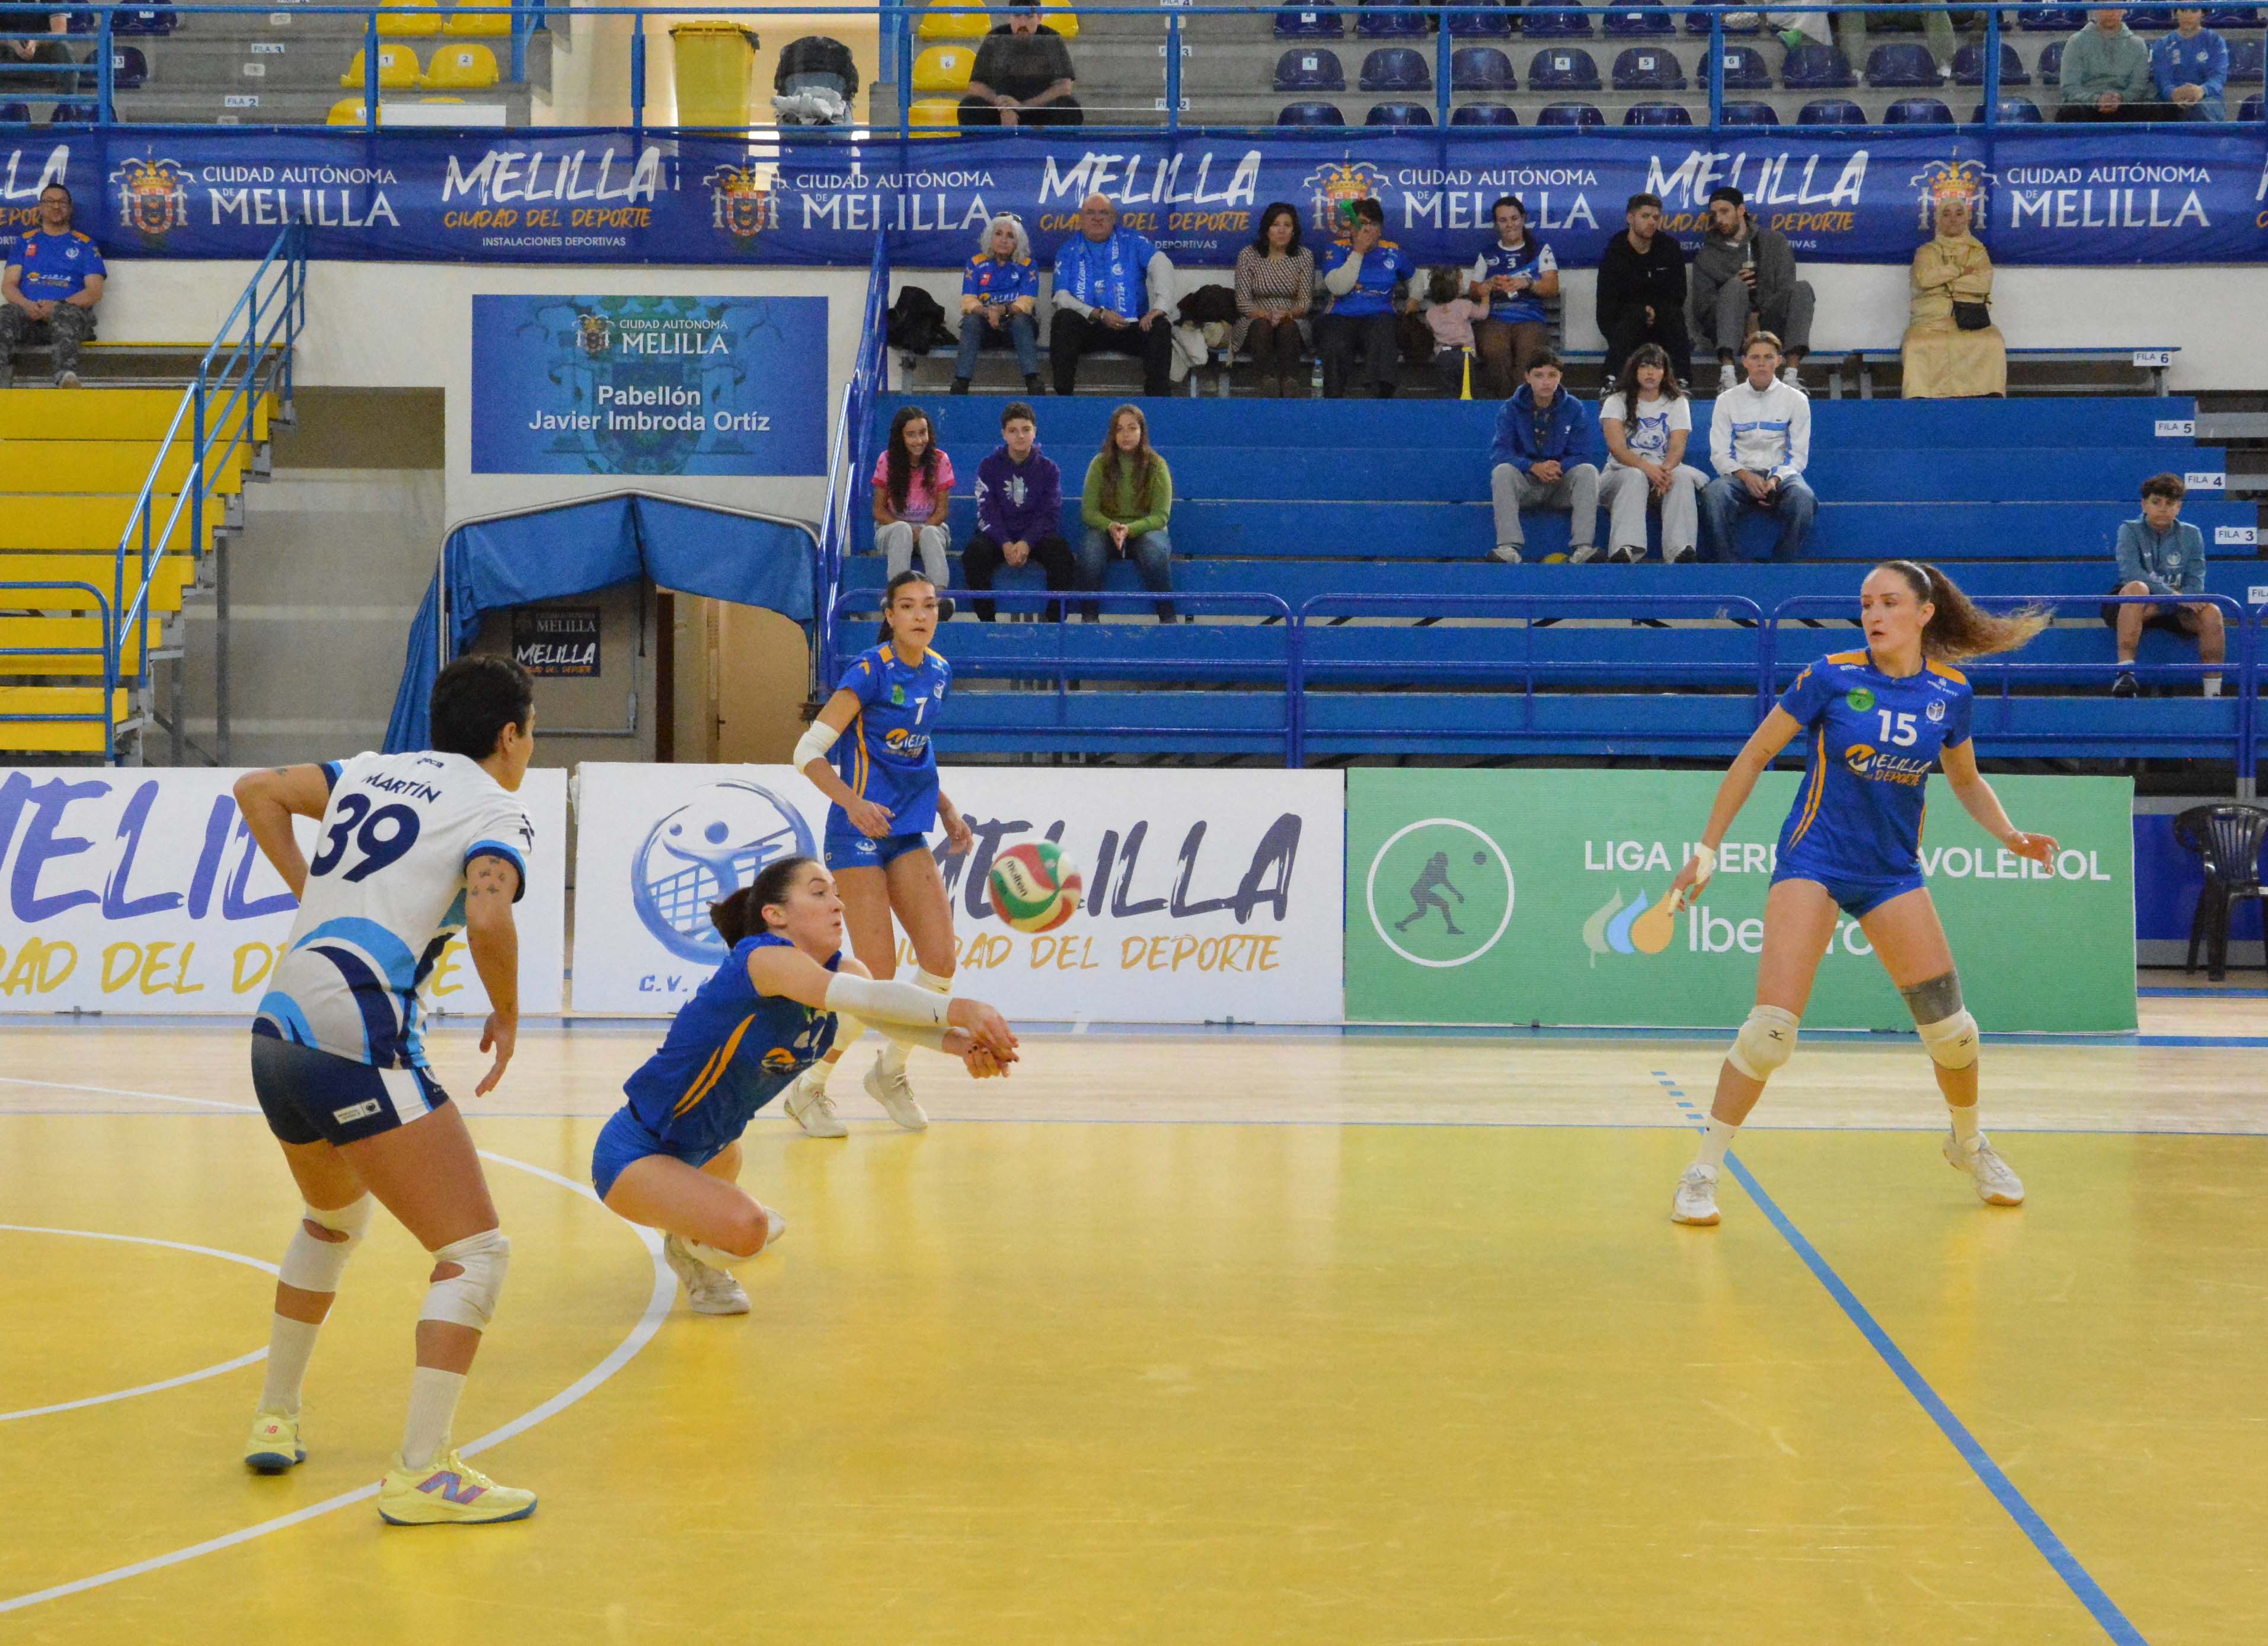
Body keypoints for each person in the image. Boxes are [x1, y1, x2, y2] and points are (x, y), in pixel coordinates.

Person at [231, 654, 542, 1525]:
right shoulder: (494, 806)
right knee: (476, 1253)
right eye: (531, 731)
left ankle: (276, 1415)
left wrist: (309, 892)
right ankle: (422, 1474)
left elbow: (256, 790)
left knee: (331, 1221)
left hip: (277, 1032)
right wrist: (508, 1012)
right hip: (358, 1038)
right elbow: (488, 912)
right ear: (509, 734)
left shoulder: (368, 771)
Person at [1665, 561, 2056, 1227]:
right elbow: (1754, 756)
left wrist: (2011, 835)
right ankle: (1702, 1170)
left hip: (1891, 873)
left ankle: (1968, 1144)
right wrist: (1706, 851)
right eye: (1867, 603)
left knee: (1953, 1034)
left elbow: (1964, 780)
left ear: (1924, 613)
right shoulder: (1831, 676)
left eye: (1889, 602)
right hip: (1813, 862)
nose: (1873, 614)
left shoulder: (1950, 692)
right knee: (1768, 1034)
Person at [594, 856, 1017, 1314]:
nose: (838, 904)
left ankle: (696, 1233)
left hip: (714, 1150)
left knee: (740, 1208)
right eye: (819, 893)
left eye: (836, 893)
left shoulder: (841, 972)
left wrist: (962, 1045)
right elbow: (868, 996)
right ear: (775, 915)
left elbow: (887, 1016)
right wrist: (963, 1009)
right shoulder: (763, 959)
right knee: (750, 1229)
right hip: (636, 1154)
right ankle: (693, 1248)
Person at [784, 570, 977, 1135]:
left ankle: (890, 1072)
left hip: (907, 828)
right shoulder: (869, 670)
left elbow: (915, 752)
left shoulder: (938, 672)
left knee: (940, 960)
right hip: (857, 831)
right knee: (876, 975)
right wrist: (853, 803)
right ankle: (809, 1086)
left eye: (930, 606)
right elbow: (807, 752)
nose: (921, 615)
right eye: (908, 606)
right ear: (890, 616)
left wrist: (946, 808)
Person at [2107, 472, 2225, 698]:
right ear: (2144, 505)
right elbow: (2131, 573)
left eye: (2170, 503)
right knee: (2137, 589)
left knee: (2213, 613)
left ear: (2178, 507)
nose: (2163, 508)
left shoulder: (2192, 534)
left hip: (2175, 605)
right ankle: (2125, 675)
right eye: (2156, 502)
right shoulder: (2129, 529)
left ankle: (2213, 694)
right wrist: (2172, 597)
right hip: (2134, 603)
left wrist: (2166, 604)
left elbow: (2195, 581)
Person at [1701, 332, 1815, 562]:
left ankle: (1781, 566)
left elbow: (1798, 455)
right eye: (1755, 357)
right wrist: (1745, 476)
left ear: (1779, 360)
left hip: (1782, 478)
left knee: (1804, 498)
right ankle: (1730, 566)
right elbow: (1720, 453)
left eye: (1768, 357)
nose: (1761, 363)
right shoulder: (1727, 400)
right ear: (1744, 361)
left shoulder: (1797, 400)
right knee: (1714, 495)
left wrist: (1774, 479)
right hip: (1739, 477)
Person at [1689, 186, 1815, 393]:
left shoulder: (1774, 242)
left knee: (1802, 289)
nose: (1719, 219)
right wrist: (1734, 292)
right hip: (1728, 329)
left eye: (1725, 211)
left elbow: (1786, 289)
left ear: (1741, 210)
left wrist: (1756, 316)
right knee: (1735, 286)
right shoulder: (1707, 256)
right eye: (1714, 214)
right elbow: (1702, 308)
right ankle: (1728, 376)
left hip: (1770, 325)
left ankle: (1791, 375)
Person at [1050, 193, 1174, 397]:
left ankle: (1157, 402)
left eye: (1104, 213)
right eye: (1091, 213)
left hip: (1131, 326)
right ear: (1081, 218)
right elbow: (1060, 297)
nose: (1097, 218)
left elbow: (1161, 263)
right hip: (1091, 326)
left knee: (1160, 327)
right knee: (1063, 319)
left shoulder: (1132, 240)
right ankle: (1064, 398)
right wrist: (1098, 314)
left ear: (1114, 218)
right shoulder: (1068, 250)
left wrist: (1159, 307)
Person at [962, 398, 1075, 622]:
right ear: (1004, 434)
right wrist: (1005, 542)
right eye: (1013, 431)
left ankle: (1054, 625)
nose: (1020, 436)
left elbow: (1049, 514)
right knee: (974, 554)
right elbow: (987, 510)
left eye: (1026, 430)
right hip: (998, 538)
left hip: (1035, 539)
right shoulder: (989, 466)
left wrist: (1026, 542)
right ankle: (988, 624)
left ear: (1035, 432)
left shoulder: (1049, 469)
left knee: (1062, 554)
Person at [1487, 350, 1603, 565]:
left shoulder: (1574, 408)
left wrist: (1558, 467)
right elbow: (1500, 453)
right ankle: (1508, 547)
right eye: (1539, 375)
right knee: (1502, 472)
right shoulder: (1511, 408)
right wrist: (1532, 466)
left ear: (1561, 377)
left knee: (1588, 472)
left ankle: (1583, 547)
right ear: (1527, 377)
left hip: (1560, 483)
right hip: (1526, 485)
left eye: (1552, 375)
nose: (1546, 382)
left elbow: (1583, 453)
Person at [1598, 343, 1708, 566]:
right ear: (1634, 370)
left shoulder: (1678, 402)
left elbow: (1677, 446)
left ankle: (1680, 551)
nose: (1650, 372)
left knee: (1681, 477)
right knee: (1635, 476)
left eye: (1657, 367)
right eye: (1644, 366)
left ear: (1665, 372)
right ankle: (1626, 548)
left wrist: (1664, 471)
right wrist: (1648, 469)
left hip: (1661, 472)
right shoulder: (1616, 401)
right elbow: (1617, 449)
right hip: (1621, 474)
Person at [1901, 177, 2005, 400]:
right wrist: (1960, 270)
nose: (1953, 220)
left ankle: (1987, 397)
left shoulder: (1978, 251)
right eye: (1946, 214)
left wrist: (1944, 281)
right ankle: (1921, 399)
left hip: (1970, 321)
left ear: (1967, 218)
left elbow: (1982, 283)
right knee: (1915, 344)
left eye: (1959, 214)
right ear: (1938, 220)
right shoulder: (1926, 252)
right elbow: (1924, 279)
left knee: (1993, 342)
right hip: (1930, 323)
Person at [1075, 401, 1175, 621]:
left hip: (1146, 530)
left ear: (1142, 432)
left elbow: (1161, 516)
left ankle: (1168, 619)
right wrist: (1111, 526)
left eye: (1132, 428)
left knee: (1154, 555)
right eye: (1119, 429)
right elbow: (1089, 512)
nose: (1125, 435)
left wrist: (1130, 529)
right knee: (1090, 554)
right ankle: (1089, 619)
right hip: (1107, 530)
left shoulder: (1157, 465)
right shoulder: (1099, 464)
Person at [0, 182, 101, 389]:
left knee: (66, 313)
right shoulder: (25, 242)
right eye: (50, 202)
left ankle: (66, 378)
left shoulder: (85, 244)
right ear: (40, 207)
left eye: (62, 202)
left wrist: (58, 305)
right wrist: (27, 305)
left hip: (69, 319)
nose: (56, 206)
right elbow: (9, 286)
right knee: (5, 314)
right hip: (30, 318)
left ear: (70, 208)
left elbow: (94, 292)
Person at [1316, 197, 1416, 399]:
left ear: (1381, 229)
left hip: (1379, 315)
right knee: (1335, 342)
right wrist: (1358, 251)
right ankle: (1333, 402)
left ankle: (1379, 399)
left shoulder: (1393, 251)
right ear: (1351, 227)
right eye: (1362, 224)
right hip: (1340, 315)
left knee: (1383, 334)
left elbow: (1414, 279)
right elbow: (1339, 288)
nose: (1368, 229)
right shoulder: (1336, 249)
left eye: (1373, 224)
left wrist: (1414, 298)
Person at [1594, 193, 1691, 392]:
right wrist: (1641, 311)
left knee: (1674, 315)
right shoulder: (1615, 252)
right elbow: (1607, 302)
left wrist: (1656, 311)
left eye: (1656, 217)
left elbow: (1679, 293)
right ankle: (1611, 380)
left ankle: (1682, 381)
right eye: (1645, 216)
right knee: (1633, 316)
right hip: (1625, 323)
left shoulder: (1669, 248)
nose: (1652, 222)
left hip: (1663, 321)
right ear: (1630, 218)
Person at [1466, 194, 1558, 398]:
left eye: (1514, 218)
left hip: (1530, 318)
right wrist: (1489, 285)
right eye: (1503, 220)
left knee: (1529, 354)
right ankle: (1503, 405)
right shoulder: (1488, 253)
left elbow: (1552, 288)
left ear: (1523, 219)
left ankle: (1522, 404)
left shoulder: (1540, 250)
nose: (1510, 225)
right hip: (1495, 318)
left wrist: (1528, 283)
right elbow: (1473, 291)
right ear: (1496, 224)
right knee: (1495, 351)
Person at [873, 405, 955, 618]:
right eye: (911, 435)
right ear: (900, 437)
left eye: (922, 433)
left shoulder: (941, 460)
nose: (919, 440)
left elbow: (942, 511)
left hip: (931, 527)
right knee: (901, 529)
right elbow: (879, 511)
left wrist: (922, 529)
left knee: (930, 533)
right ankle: (897, 596)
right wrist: (908, 530)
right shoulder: (887, 460)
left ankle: (939, 597)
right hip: (892, 530)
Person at [952, 213, 1043, 396]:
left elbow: (1027, 301)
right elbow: (968, 300)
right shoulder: (975, 263)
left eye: (1010, 236)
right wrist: (988, 312)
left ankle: (1034, 384)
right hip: (986, 327)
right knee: (971, 321)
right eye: (999, 234)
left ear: (1018, 242)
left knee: (1021, 321)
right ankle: (960, 385)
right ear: (990, 237)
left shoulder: (1028, 265)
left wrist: (1002, 310)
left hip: (1015, 329)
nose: (1004, 240)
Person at [1234, 201, 1315, 398]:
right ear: (1266, 229)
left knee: (1288, 327)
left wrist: (1286, 314)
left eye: (1287, 225)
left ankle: (1290, 383)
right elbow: (1243, 302)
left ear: (1294, 231)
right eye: (1276, 225)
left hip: (1293, 318)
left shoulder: (1304, 256)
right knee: (1262, 327)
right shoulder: (1248, 255)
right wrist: (1268, 315)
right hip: (1255, 319)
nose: (1281, 230)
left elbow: (1305, 302)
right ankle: (1267, 382)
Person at [958, 2, 1082, 127]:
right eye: (1017, 16)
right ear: (1009, 17)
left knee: (1069, 107)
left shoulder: (1052, 38)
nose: (1023, 24)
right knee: (970, 107)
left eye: (1029, 17)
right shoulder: (995, 37)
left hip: (1039, 111)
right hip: (1001, 112)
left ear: (1039, 18)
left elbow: (1064, 87)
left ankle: (1050, 139)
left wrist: (1024, 106)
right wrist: (1004, 107)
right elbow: (976, 86)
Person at [2057, 7, 2160, 121]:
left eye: (2115, 8)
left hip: (2125, 106)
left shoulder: (2137, 44)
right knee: (2071, 113)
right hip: (2086, 106)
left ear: (2124, 10)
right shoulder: (2076, 42)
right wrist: (2097, 100)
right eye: (2106, 8)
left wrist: (2120, 98)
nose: (2111, 13)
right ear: (2095, 10)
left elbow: (2139, 86)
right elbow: (2070, 86)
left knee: (2151, 110)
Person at [2152, 7, 2228, 121]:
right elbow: (2162, 78)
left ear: (2202, 13)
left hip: (2208, 99)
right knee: (2154, 111)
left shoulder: (2215, 41)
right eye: (2183, 10)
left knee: (2200, 110)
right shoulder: (2162, 44)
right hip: (2171, 99)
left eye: (2194, 10)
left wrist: (2202, 90)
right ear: (2176, 12)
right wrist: (2173, 93)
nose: (2188, 16)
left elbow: (2218, 77)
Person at [1423, 266, 1487, 398]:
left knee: (1447, 391)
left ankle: (1449, 409)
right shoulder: (1465, 305)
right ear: (1455, 288)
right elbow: (1483, 314)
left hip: (1443, 356)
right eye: (1460, 282)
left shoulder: (1431, 312)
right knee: (1467, 389)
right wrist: (1486, 297)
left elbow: (1431, 328)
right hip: (1465, 353)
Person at [0, 5, 72, 98]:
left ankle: (69, 102)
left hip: (43, 46)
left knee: (63, 47)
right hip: (7, 47)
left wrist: (36, 41)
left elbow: (60, 32)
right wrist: (10, 41)